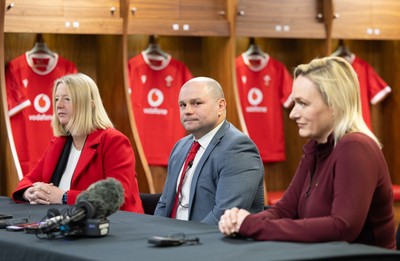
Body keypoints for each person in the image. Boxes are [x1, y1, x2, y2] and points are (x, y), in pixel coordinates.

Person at [218, 57, 396, 249]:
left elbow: (342, 228)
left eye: (303, 103)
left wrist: (252, 225)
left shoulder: (355, 147)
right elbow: (285, 209)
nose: (293, 113)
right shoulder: (316, 147)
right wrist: (240, 221)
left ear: (335, 104)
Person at [12, 73, 144, 213]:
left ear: (90, 106)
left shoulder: (113, 141)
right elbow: (29, 180)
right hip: (68, 222)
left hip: (118, 226)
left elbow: (117, 198)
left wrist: (63, 197)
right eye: (57, 99)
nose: (59, 105)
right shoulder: (58, 143)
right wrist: (31, 192)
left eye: (67, 99)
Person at [154, 77, 264, 224]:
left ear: (220, 106)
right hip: (172, 238)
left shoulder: (238, 148)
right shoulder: (180, 147)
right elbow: (164, 203)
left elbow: (223, 216)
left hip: (209, 243)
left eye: (196, 103)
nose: (188, 111)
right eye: (182, 105)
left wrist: (182, 243)